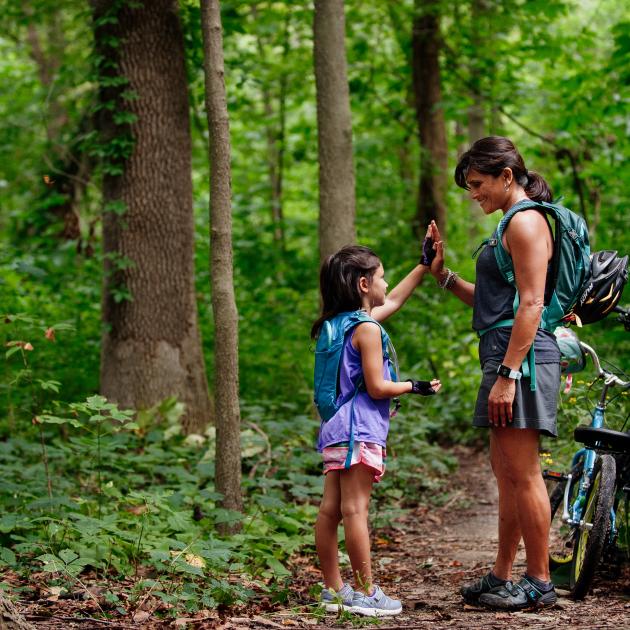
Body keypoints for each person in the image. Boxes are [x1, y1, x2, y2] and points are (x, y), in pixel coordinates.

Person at [428, 136, 560, 610]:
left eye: (478, 184)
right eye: (468, 186)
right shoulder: (509, 223)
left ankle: (540, 581)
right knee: (505, 473)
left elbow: (531, 303)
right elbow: (495, 305)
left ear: (507, 176)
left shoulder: (525, 223)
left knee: (524, 475)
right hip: (504, 349)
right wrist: (442, 275)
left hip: (518, 357)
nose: (473, 193)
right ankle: (503, 575)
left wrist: (508, 374)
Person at [311, 243, 441, 617]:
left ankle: (334, 589)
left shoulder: (335, 325)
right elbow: (376, 387)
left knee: (330, 510)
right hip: (359, 430)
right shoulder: (366, 329)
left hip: (335, 428)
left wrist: (422, 266)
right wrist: (414, 386)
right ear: (364, 284)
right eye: (382, 276)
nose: (387, 283)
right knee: (355, 510)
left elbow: (395, 300)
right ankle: (367, 594)